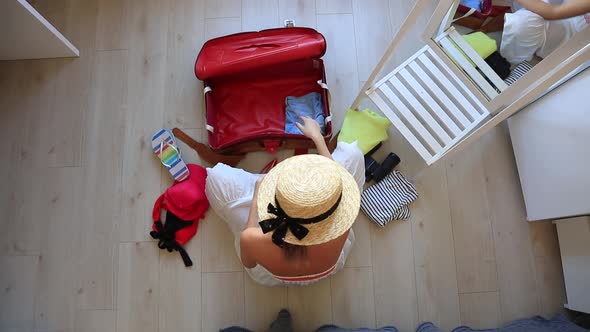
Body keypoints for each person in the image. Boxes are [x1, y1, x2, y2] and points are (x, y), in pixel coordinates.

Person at [205, 116, 365, 286]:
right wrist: (317, 137)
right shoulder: (340, 220)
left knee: (215, 176)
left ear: (273, 205)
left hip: (270, 275)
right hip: (329, 267)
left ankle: (257, 180)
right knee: (352, 153)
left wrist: (257, 195)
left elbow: (249, 264)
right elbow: (338, 180)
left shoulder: (252, 238)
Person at [500, 0, 590, 64]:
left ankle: (506, 59)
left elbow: (553, 12)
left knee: (520, 26)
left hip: (570, 35)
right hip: (556, 10)